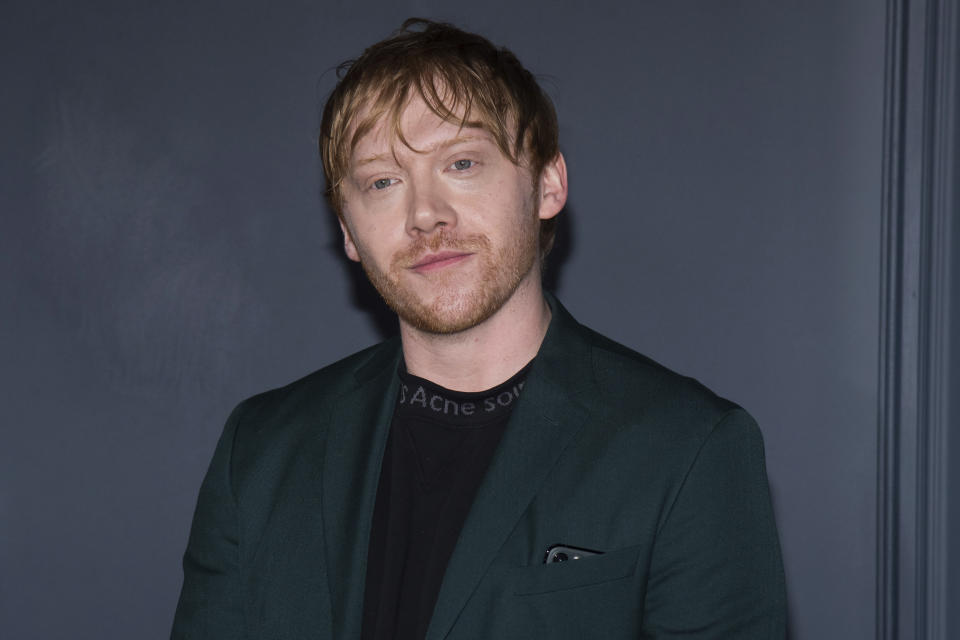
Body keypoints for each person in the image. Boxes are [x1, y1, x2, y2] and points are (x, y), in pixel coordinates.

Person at [171, 18, 786, 640]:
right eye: (382, 182)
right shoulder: (261, 450)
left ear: (547, 183)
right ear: (348, 232)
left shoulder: (687, 448)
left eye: (461, 163)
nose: (425, 215)